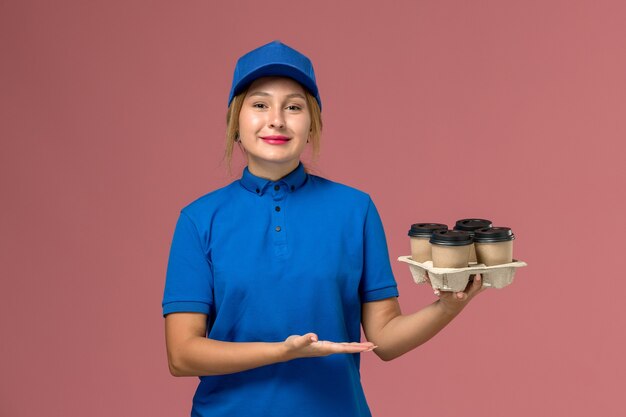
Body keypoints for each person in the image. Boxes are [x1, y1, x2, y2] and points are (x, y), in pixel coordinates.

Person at [162, 40, 484, 417]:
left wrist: (447, 306)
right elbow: (182, 355)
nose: (277, 119)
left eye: (294, 107)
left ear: (312, 124)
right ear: (236, 122)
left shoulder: (355, 210)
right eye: (260, 104)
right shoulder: (199, 219)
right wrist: (283, 351)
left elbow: (385, 340)